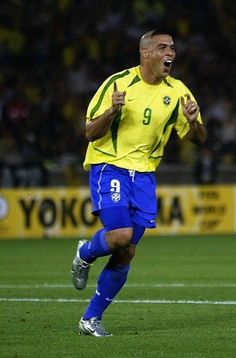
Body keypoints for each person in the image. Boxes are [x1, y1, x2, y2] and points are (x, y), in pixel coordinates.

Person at [71, 29, 206, 337]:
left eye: (172, 47)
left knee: (126, 252)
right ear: (146, 53)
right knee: (118, 236)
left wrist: (194, 121)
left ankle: (90, 319)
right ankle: (85, 254)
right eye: (162, 47)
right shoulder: (118, 83)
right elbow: (90, 132)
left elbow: (198, 139)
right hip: (111, 166)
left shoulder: (179, 91)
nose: (170, 52)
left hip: (145, 176)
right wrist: (112, 110)